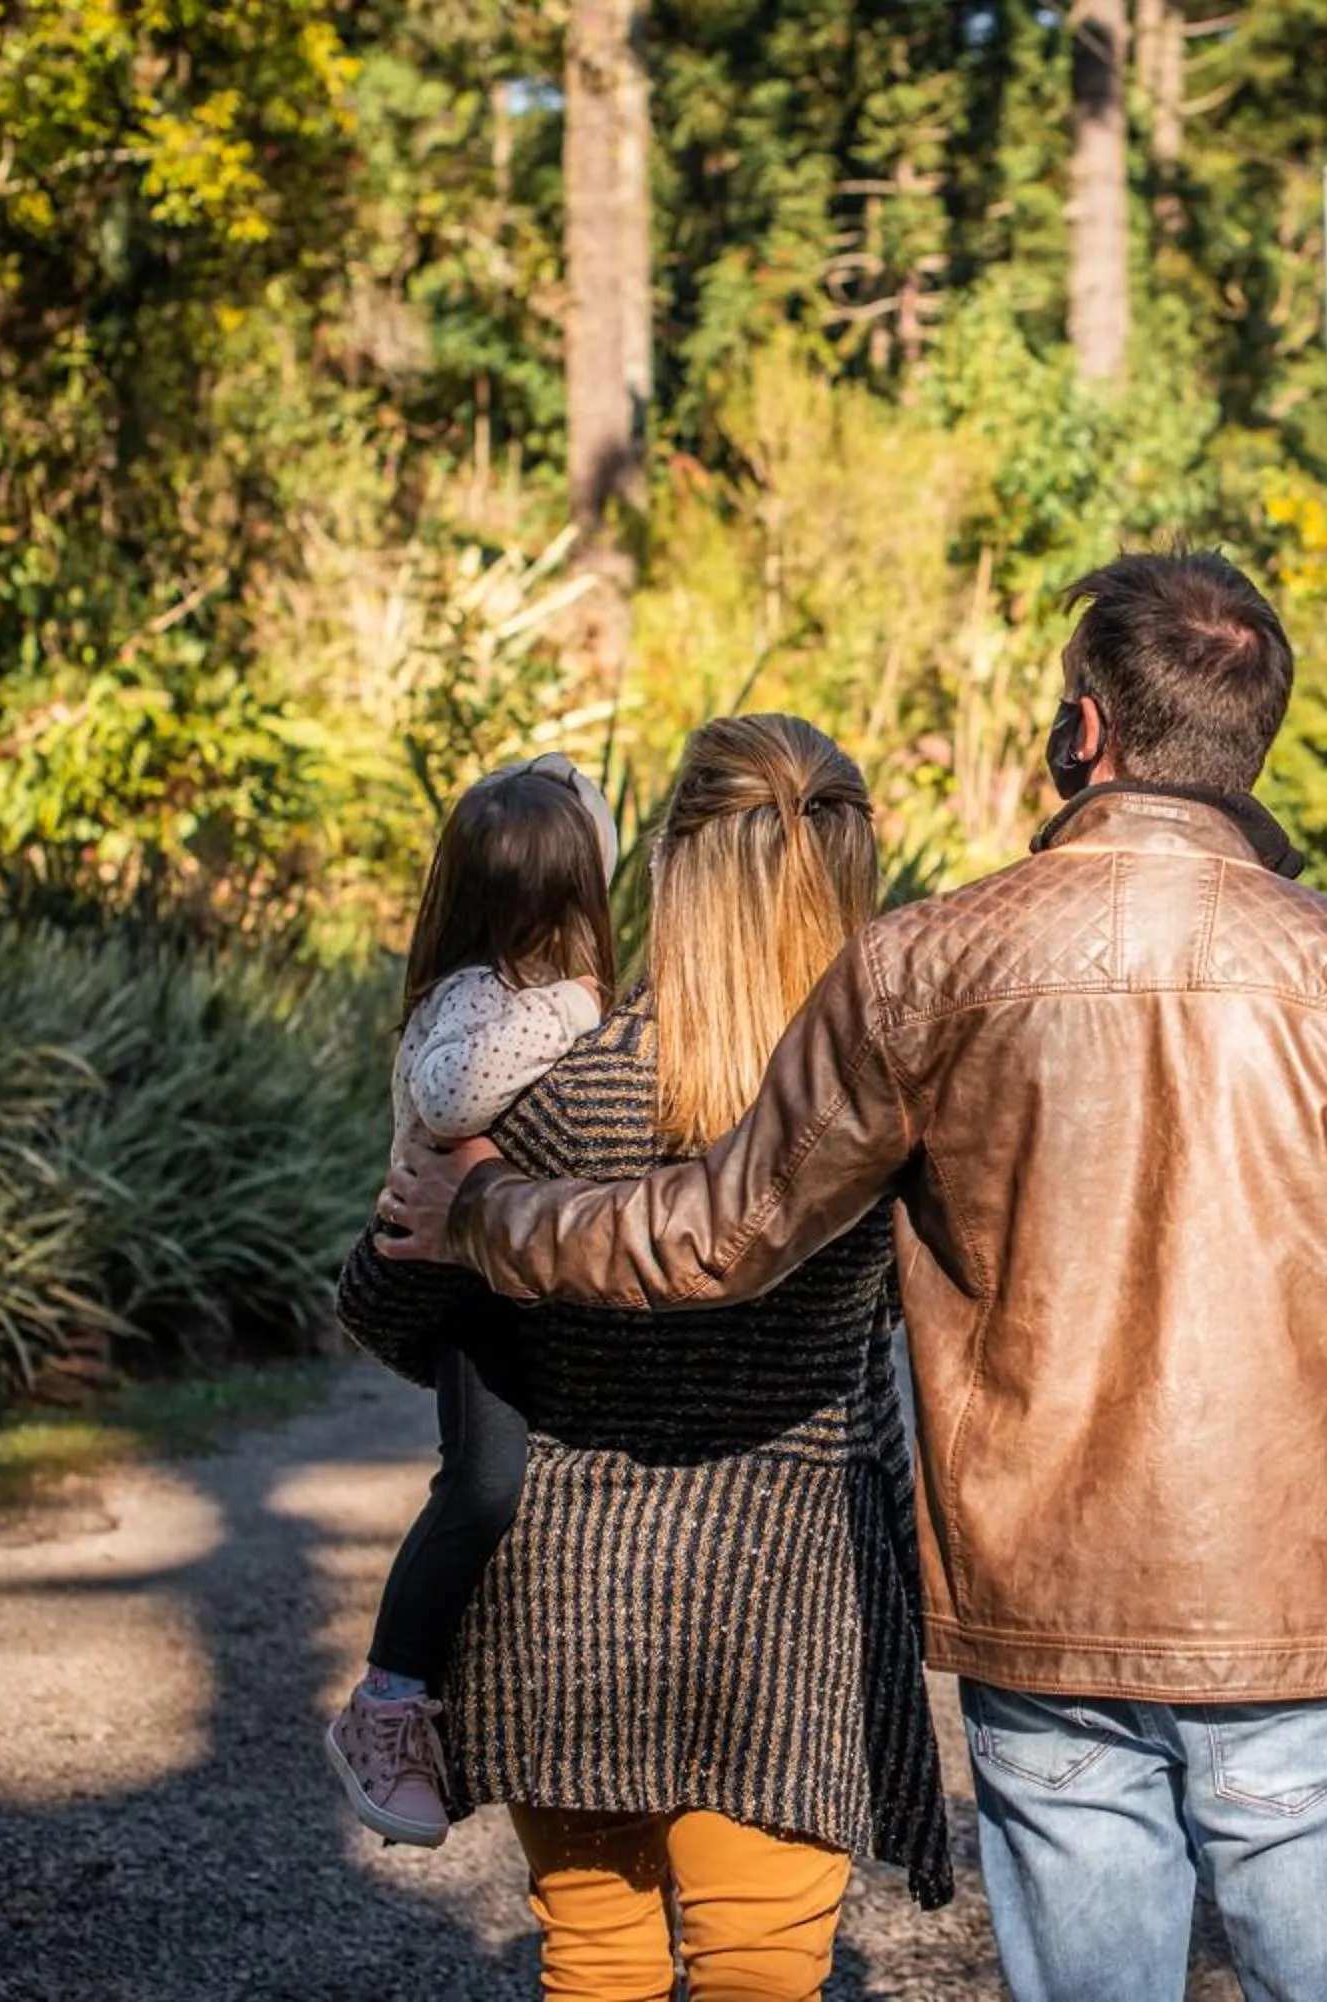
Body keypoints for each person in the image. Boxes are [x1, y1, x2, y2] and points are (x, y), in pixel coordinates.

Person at [379, 551, 1327, 2002]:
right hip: (1304, 1611)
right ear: (1251, 742)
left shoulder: (925, 965)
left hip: (1048, 1604)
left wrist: (489, 1210)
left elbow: (718, 1231)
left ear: (1083, 729)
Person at [336, 716, 952, 2001]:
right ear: (848, 881)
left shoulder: (548, 1090)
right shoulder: (882, 1113)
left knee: (597, 1964)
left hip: (565, 1606)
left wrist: (449, 1218)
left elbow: (392, 1306)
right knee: (762, 1971)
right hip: (788, 1605)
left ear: (670, 872)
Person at [326, 751, 618, 1848]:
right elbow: (450, 1096)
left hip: (514, 1272)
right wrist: (581, 1006)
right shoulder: (480, 1001)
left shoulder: (518, 998)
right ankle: (389, 1700)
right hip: (467, 1292)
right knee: (485, 1486)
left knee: (541, 1492)